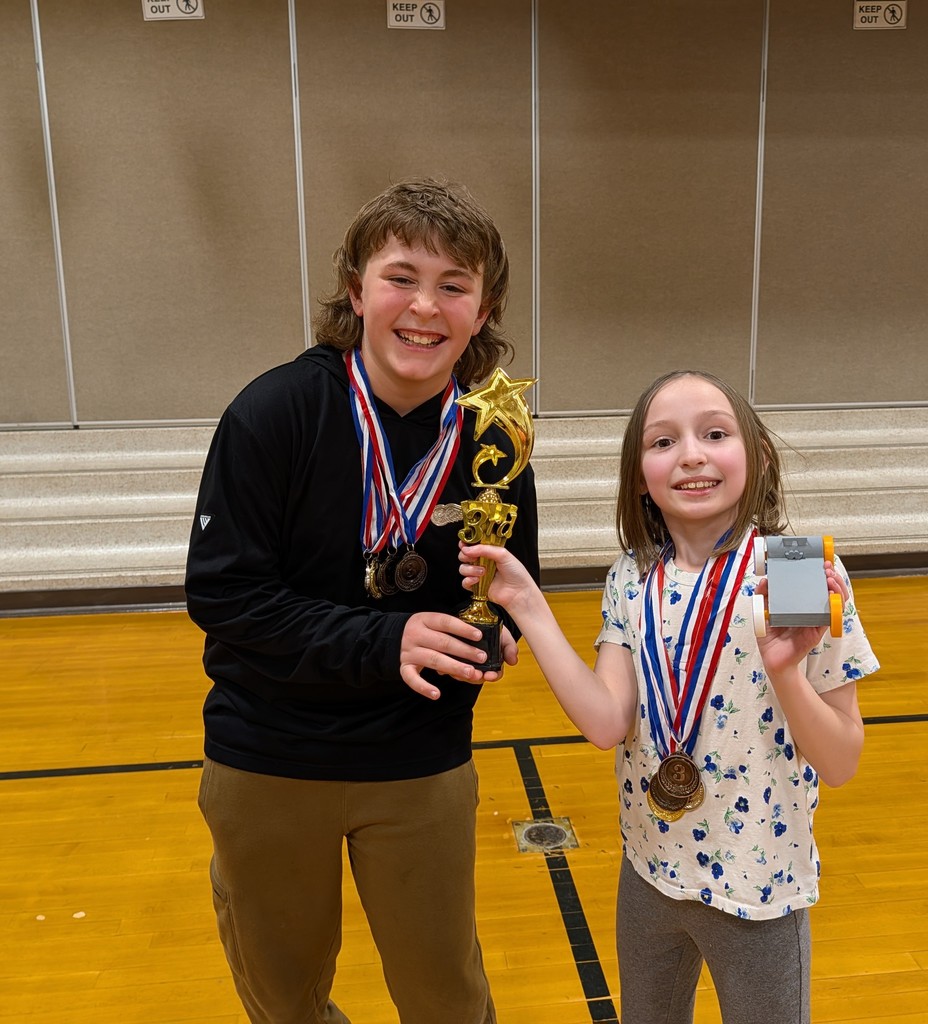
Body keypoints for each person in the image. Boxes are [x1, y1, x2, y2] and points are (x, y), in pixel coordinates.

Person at [185, 178, 539, 1024]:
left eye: (454, 284)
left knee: (446, 999)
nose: (425, 306)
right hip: (269, 757)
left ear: (483, 308)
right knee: (284, 999)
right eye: (401, 277)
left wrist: (493, 637)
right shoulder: (276, 411)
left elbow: (507, 582)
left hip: (417, 760)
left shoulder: (496, 434)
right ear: (355, 290)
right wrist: (388, 642)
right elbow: (224, 594)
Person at [459, 369, 879, 1024]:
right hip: (649, 874)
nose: (690, 454)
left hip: (759, 887)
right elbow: (606, 723)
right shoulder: (632, 575)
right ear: (638, 476)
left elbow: (843, 761)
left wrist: (788, 673)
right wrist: (527, 606)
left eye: (715, 433)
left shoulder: (793, 568)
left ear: (758, 456)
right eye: (663, 441)